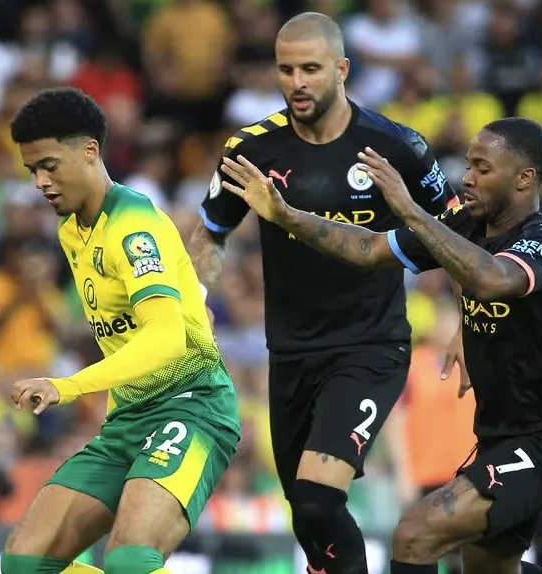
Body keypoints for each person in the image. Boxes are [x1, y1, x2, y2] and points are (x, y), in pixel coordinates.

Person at [221, 117, 542, 574]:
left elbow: (492, 279)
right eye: (468, 165)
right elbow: (371, 249)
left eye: (483, 168)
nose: (467, 178)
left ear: (524, 178)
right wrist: (286, 216)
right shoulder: (465, 224)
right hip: (497, 438)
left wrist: (413, 211)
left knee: (416, 533)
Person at [188, 12, 456, 574]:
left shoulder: (396, 146)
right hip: (290, 354)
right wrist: (195, 303)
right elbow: (210, 233)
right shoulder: (252, 149)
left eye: (310, 69)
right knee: (309, 523)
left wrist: (468, 322)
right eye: (286, 70)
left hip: (369, 347)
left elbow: (455, 233)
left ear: (342, 69)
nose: (297, 83)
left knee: (316, 497)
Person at [0, 87, 241, 574]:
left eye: (49, 165)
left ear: (90, 151)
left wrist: (67, 385)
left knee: (130, 561)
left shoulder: (132, 226)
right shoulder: (71, 229)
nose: (41, 182)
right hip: (128, 418)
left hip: (192, 406)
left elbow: (165, 337)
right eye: (32, 170)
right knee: (25, 563)